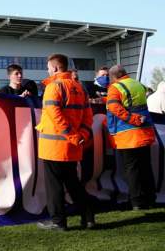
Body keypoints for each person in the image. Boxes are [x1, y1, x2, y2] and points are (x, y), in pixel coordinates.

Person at [36, 53, 95, 231]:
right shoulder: (79, 88)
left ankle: (58, 222)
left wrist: (73, 136)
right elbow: (88, 116)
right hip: (72, 146)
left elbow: (55, 115)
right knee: (73, 184)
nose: (47, 70)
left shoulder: (53, 86)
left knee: (55, 186)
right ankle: (88, 218)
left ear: (54, 68)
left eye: (48, 67)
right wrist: (80, 135)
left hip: (54, 146)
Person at [106, 65, 156, 210]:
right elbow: (131, 102)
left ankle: (137, 202)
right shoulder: (138, 85)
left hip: (128, 135)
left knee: (132, 169)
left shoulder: (115, 87)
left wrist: (132, 119)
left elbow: (115, 107)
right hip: (145, 132)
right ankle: (150, 199)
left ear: (113, 77)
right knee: (146, 167)